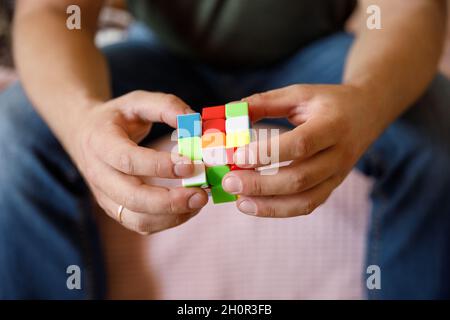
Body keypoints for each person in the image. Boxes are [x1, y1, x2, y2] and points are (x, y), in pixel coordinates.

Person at [1, 0, 449, 299]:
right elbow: (52, 9)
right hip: (159, 54)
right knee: (16, 130)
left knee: (437, 127)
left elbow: (407, 8)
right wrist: (80, 122)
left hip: (315, 57)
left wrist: (367, 100)